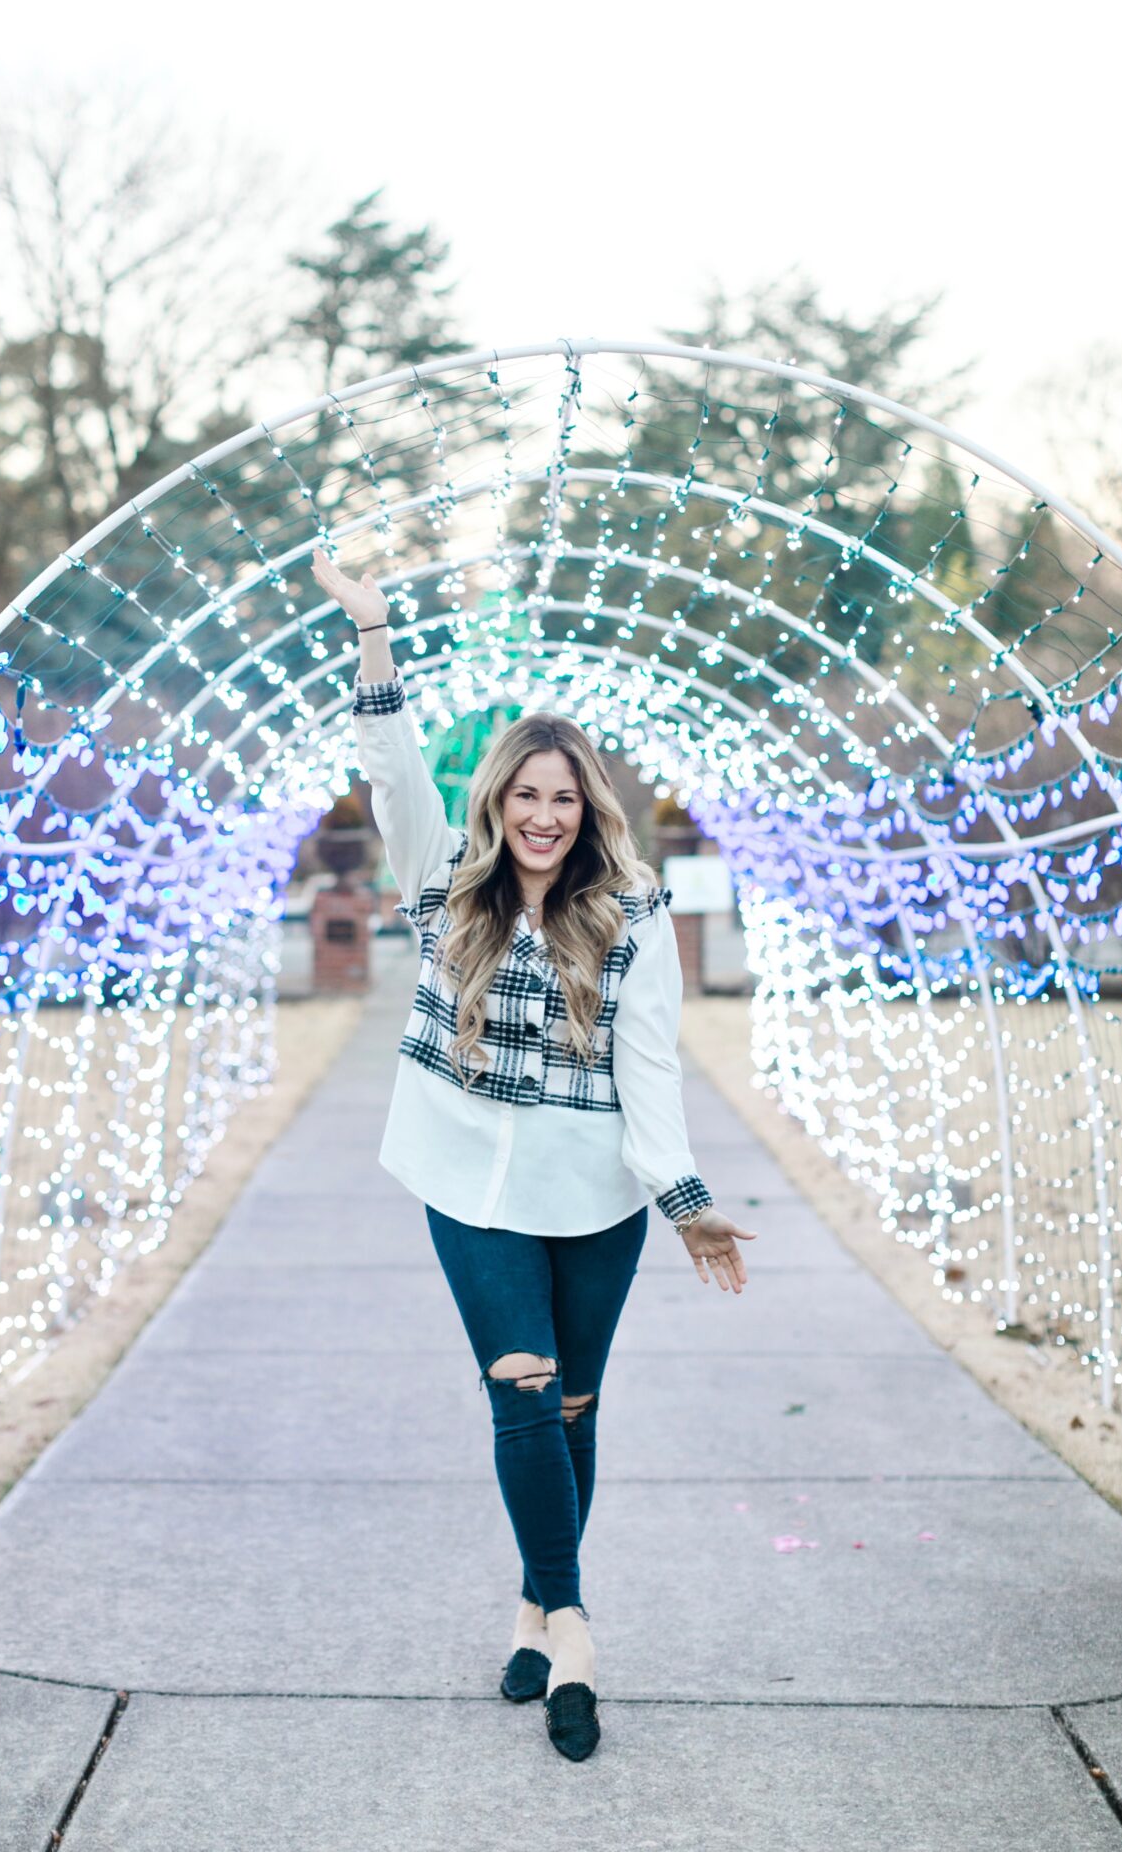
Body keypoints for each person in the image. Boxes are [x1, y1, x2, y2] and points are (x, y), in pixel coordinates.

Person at [312, 546, 757, 1763]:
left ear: (588, 805)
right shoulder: (443, 888)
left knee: (571, 1402)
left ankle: (526, 1605)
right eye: (525, 796)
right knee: (518, 1386)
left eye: (565, 797)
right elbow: (392, 767)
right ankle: (575, 1630)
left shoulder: (638, 916)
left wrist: (686, 1200)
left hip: (593, 1193)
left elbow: (649, 1067)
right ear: (498, 801)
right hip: (467, 1185)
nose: (545, 816)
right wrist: (376, 633)